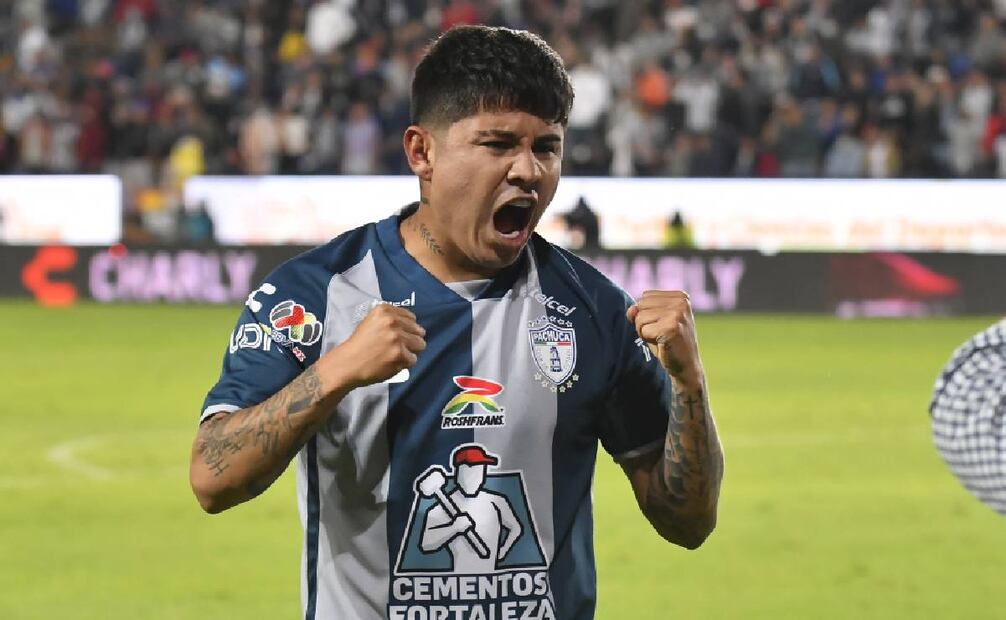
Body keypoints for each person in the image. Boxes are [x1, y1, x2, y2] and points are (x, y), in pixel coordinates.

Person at [189, 25, 723, 620]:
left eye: (547, 147)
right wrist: (335, 372)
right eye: (498, 144)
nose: (529, 170)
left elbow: (688, 522)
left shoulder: (593, 310)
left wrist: (689, 383)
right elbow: (213, 478)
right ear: (422, 153)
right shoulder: (315, 295)